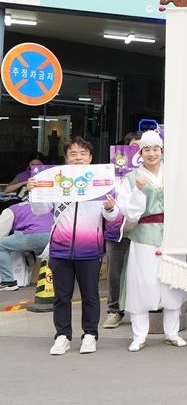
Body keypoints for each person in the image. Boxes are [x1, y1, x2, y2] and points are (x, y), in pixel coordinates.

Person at [32, 138, 118, 355]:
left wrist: (110, 208)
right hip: (60, 250)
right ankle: (62, 336)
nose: (78, 157)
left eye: (83, 153)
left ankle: (90, 335)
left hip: (90, 250)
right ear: (66, 158)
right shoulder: (56, 180)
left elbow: (113, 216)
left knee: (90, 296)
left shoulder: (102, 183)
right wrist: (34, 191)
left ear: (90, 158)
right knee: (62, 297)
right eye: (73, 153)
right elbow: (40, 210)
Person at [117, 130, 187, 352]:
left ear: (162, 151)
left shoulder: (175, 175)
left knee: (173, 282)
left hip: (172, 235)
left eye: (155, 149)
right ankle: (139, 335)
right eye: (146, 149)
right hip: (143, 235)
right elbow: (129, 213)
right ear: (140, 153)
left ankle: (172, 332)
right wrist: (138, 190)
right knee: (142, 283)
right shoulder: (131, 178)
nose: (151, 153)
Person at [103, 132, 141, 329]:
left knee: (142, 271)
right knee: (115, 272)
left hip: (144, 232)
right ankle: (114, 310)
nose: (138, 152)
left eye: (141, 148)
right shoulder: (111, 175)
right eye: (133, 147)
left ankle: (141, 310)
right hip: (117, 229)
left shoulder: (150, 173)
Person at [0, 200, 52, 290]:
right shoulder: (44, 204)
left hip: (36, 236)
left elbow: (1, 234)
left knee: (1, 246)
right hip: (57, 236)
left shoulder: (9, 211)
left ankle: (8, 282)